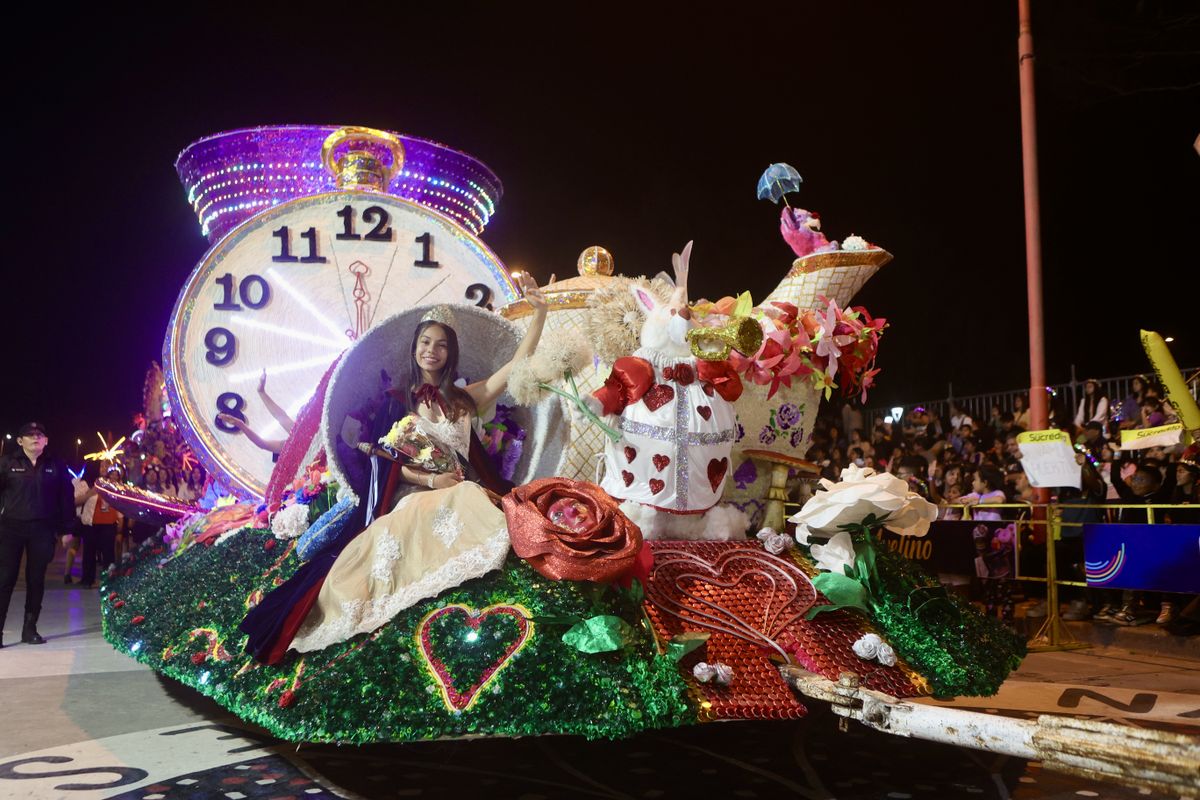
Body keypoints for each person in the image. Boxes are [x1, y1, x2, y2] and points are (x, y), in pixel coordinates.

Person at [245, 276, 550, 661]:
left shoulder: (465, 398)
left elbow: (516, 365)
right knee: (362, 564)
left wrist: (539, 315)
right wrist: (430, 479)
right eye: (425, 343)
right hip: (414, 496)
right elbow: (385, 462)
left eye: (440, 344)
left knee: (474, 499)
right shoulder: (396, 402)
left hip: (460, 490)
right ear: (414, 348)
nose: (431, 351)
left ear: (450, 352)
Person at [0, 423, 76, 647]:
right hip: (10, 528)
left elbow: (66, 498)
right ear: (20, 441)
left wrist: (67, 529)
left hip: (42, 529)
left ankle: (30, 628)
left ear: (46, 441)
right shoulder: (7, 463)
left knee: (36, 580)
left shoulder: (56, 465)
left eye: (40, 435)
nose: (35, 438)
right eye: (29, 435)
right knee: (5, 579)